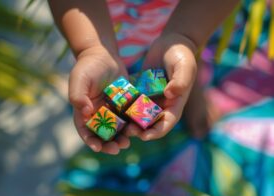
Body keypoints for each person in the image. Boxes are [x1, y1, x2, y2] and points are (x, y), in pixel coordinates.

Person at [48, 0, 239, 155]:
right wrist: (91, 49)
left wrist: (185, 37)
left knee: (179, 63)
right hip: (96, 26)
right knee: (117, 71)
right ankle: (154, 76)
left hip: (180, 16)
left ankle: (186, 83)